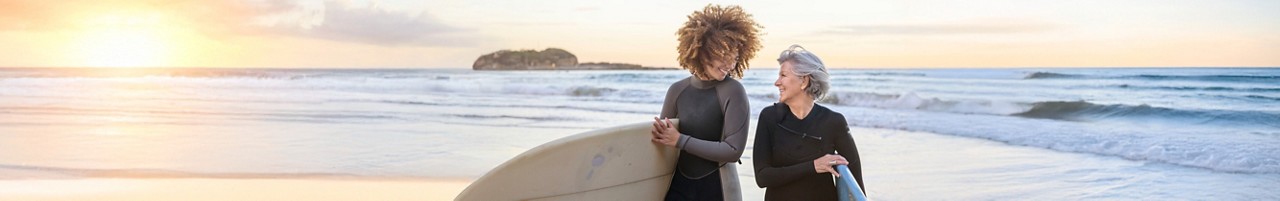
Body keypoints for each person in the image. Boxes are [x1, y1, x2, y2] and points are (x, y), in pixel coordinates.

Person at [650, 4, 762, 201]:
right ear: (702, 51)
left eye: (734, 57)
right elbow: (662, 142)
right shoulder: (677, 90)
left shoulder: (733, 91)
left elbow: (733, 151)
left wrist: (680, 140)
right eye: (723, 55)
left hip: (719, 189)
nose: (730, 64)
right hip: (678, 188)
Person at [752, 44, 864, 200]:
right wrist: (814, 166)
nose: (777, 82)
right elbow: (762, 177)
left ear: (804, 81)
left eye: (783, 75)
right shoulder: (770, 117)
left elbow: (856, 183)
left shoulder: (833, 122)